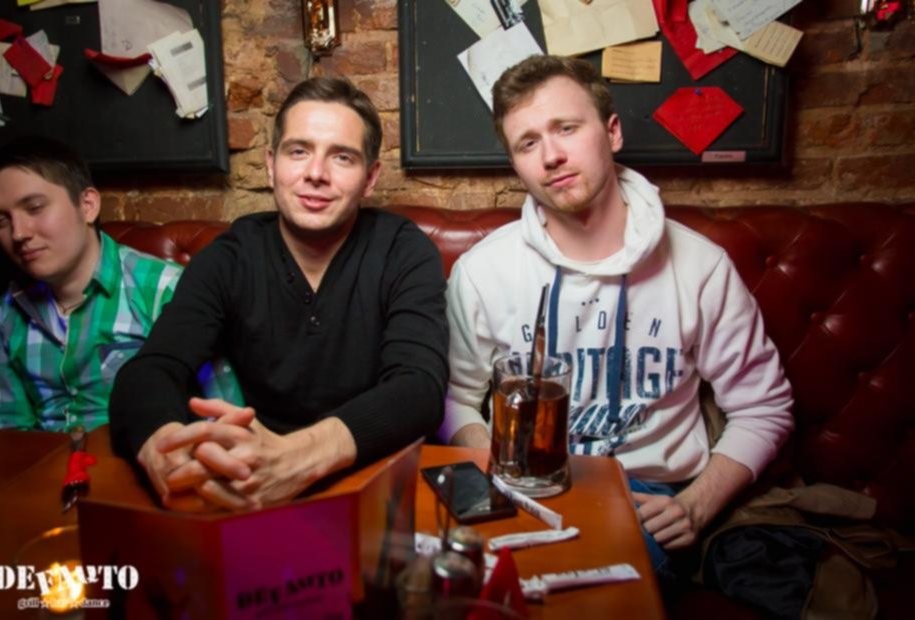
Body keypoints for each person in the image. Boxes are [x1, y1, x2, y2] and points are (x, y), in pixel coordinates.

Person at [440, 55, 794, 578]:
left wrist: (696, 505)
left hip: (645, 491)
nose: (551, 156)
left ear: (612, 132)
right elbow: (455, 397)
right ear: (515, 163)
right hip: (521, 484)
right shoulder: (482, 271)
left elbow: (764, 407)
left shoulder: (700, 267)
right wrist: (493, 471)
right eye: (528, 143)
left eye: (566, 128)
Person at [109, 77, 449, 514]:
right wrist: (165, 448)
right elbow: (151, 369)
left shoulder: (403, 250)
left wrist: (298, 458)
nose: (316, 173)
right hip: (252, 486)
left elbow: (419, 387)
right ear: (271, 165)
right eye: (298, 151)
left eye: (342, 157)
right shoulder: (232, 256)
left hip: (376, 482)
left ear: (370, 178)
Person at [0, 136, 238, 431]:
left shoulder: (166, 291)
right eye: (1, 221)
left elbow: (224, 416)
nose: (18, 233)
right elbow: (6, 435)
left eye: (35, 208)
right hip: (45, 459)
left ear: (88, 205)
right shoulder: (3, 318)